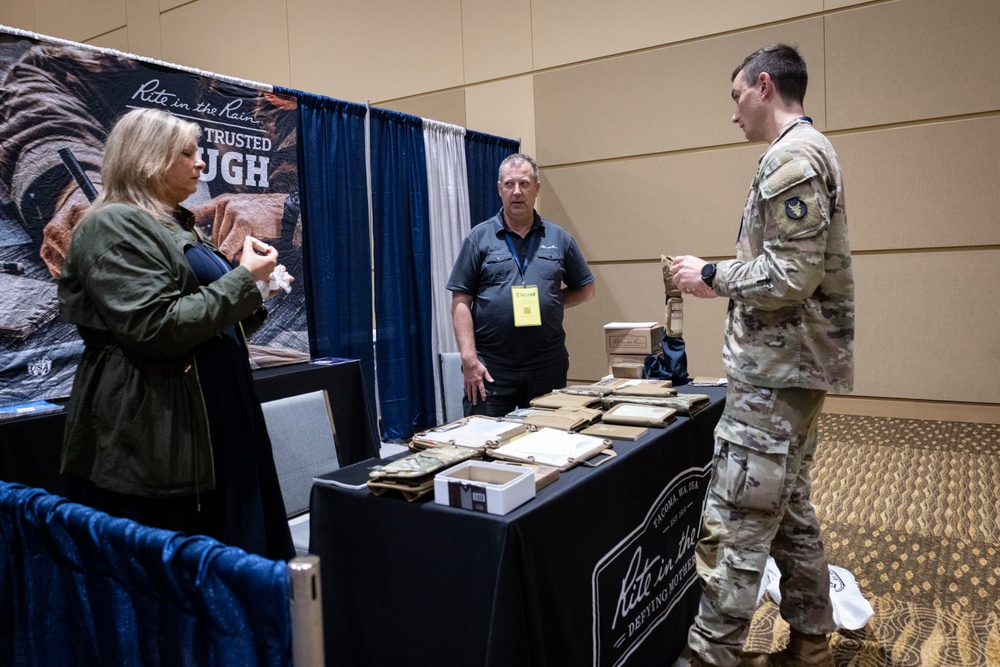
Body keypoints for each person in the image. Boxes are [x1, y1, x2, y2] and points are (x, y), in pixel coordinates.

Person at [669, 44, 854, 667]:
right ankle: (810, 641)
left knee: (737, 517)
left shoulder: (793, 160)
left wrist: (711, 274)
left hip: (775, 377)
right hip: (790, 372)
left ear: (764, 86)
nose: (733, 113)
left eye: (736, 96)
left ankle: (709, 656)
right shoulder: (806, 152)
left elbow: (791, 277)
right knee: (790, 510)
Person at [57, 107, 295, 561]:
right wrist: (242, 281)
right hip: (161, 431)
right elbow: (156, 327)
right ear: (148, 159)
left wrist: (257, 288)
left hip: (212, 422)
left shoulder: (172, 223)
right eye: (187, 153)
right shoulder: (111, 226)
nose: (201, 163)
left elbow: (216, 318)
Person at [447, 153, 596, 417]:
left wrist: (551, 301)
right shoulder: (478, 238)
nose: (517, 192)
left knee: (546, 444)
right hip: (491, 368)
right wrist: (469, 359)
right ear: (499, 189)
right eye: (509, 184)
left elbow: (586, 288)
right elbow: (461, 301)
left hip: (546, 365)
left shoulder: (559, 238)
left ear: (536, 188)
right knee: (482, 443)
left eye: (524, 184)